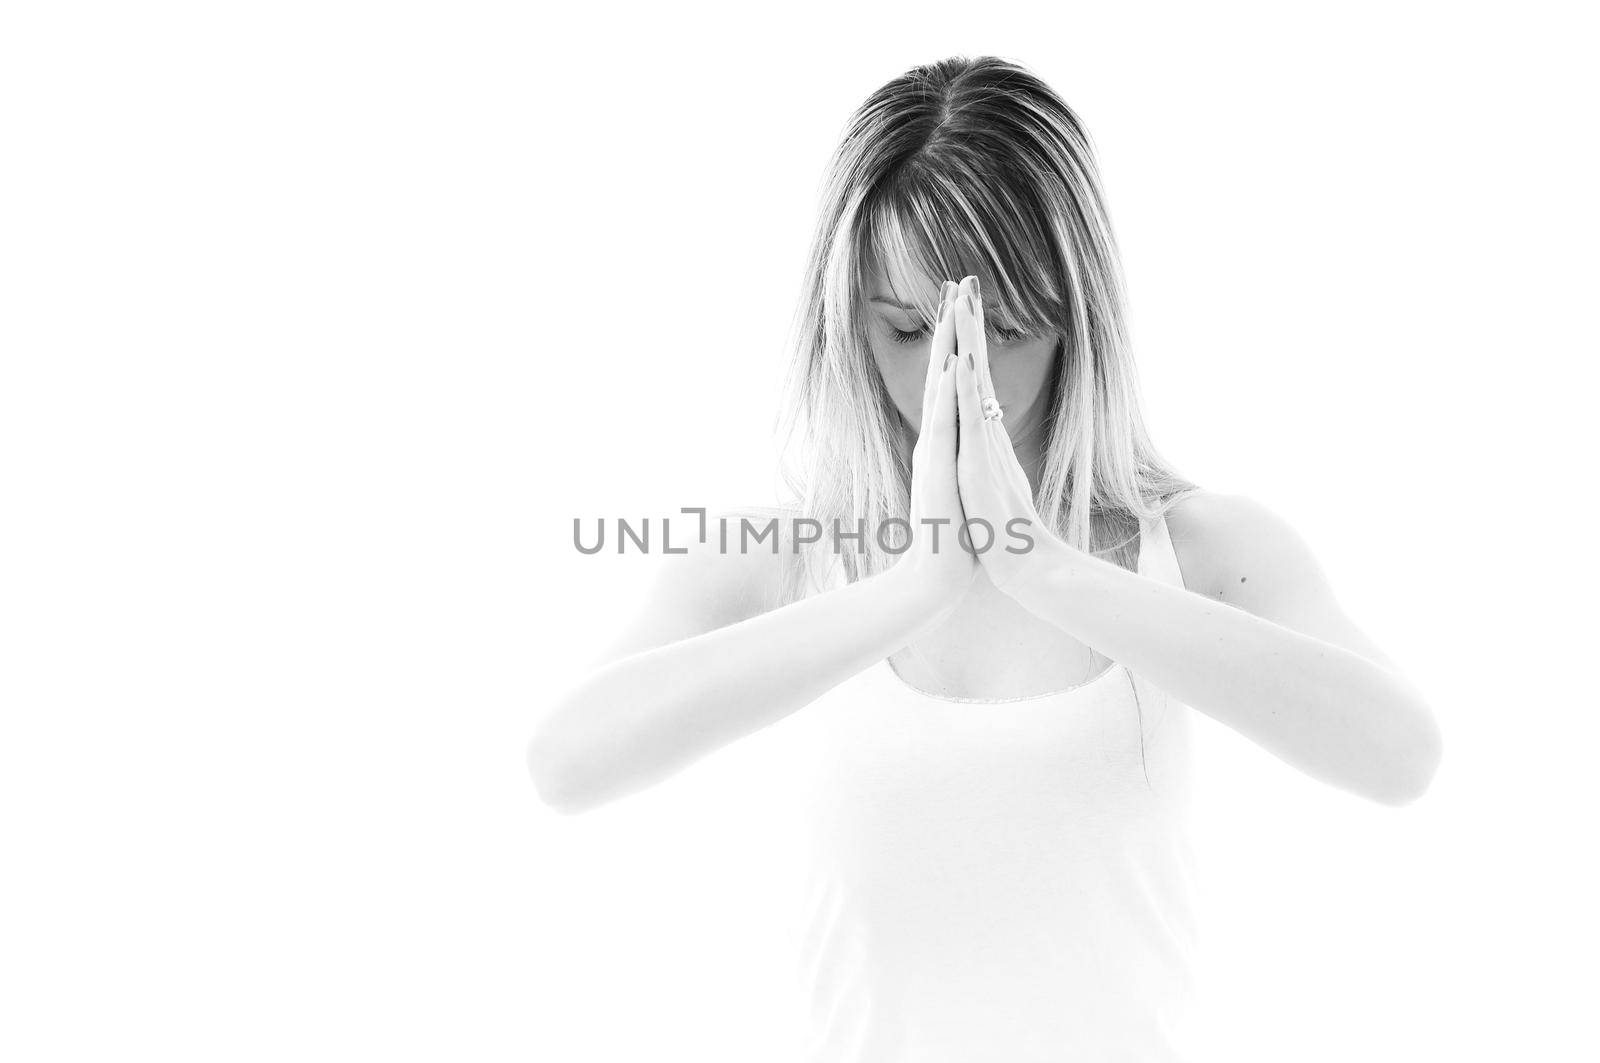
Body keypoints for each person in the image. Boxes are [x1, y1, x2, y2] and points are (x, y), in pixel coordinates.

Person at [529, 54, 1443, 1063]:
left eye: (1005, 326)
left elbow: (1401, 757)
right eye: (908, 329)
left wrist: (1044, 568)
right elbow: (565, 764)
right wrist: (917, 582)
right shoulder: (773, 558)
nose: (956, 375)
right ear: (843, 325)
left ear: (1078, 319)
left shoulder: (1201, 548)